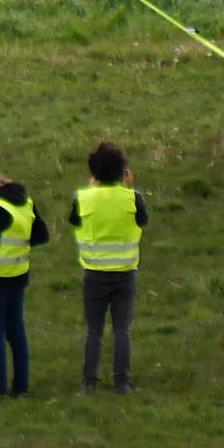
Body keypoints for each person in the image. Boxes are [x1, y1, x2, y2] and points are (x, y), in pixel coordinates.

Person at [69, 139, 149, 393]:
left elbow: (73, 220)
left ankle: (89, 382)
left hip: (94, 272)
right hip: (125, 272)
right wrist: (126, 187)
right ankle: (122, 382)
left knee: (93, 331)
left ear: (93, 172)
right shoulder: (133, 198)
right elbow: (143, 221)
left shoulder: (83, 198)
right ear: (123, 171)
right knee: (122, 331)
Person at [0, 162, 49, 397]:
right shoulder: (25, 202)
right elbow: (41, 235)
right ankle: (21, 385)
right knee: (16, 333)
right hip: (18, 274)